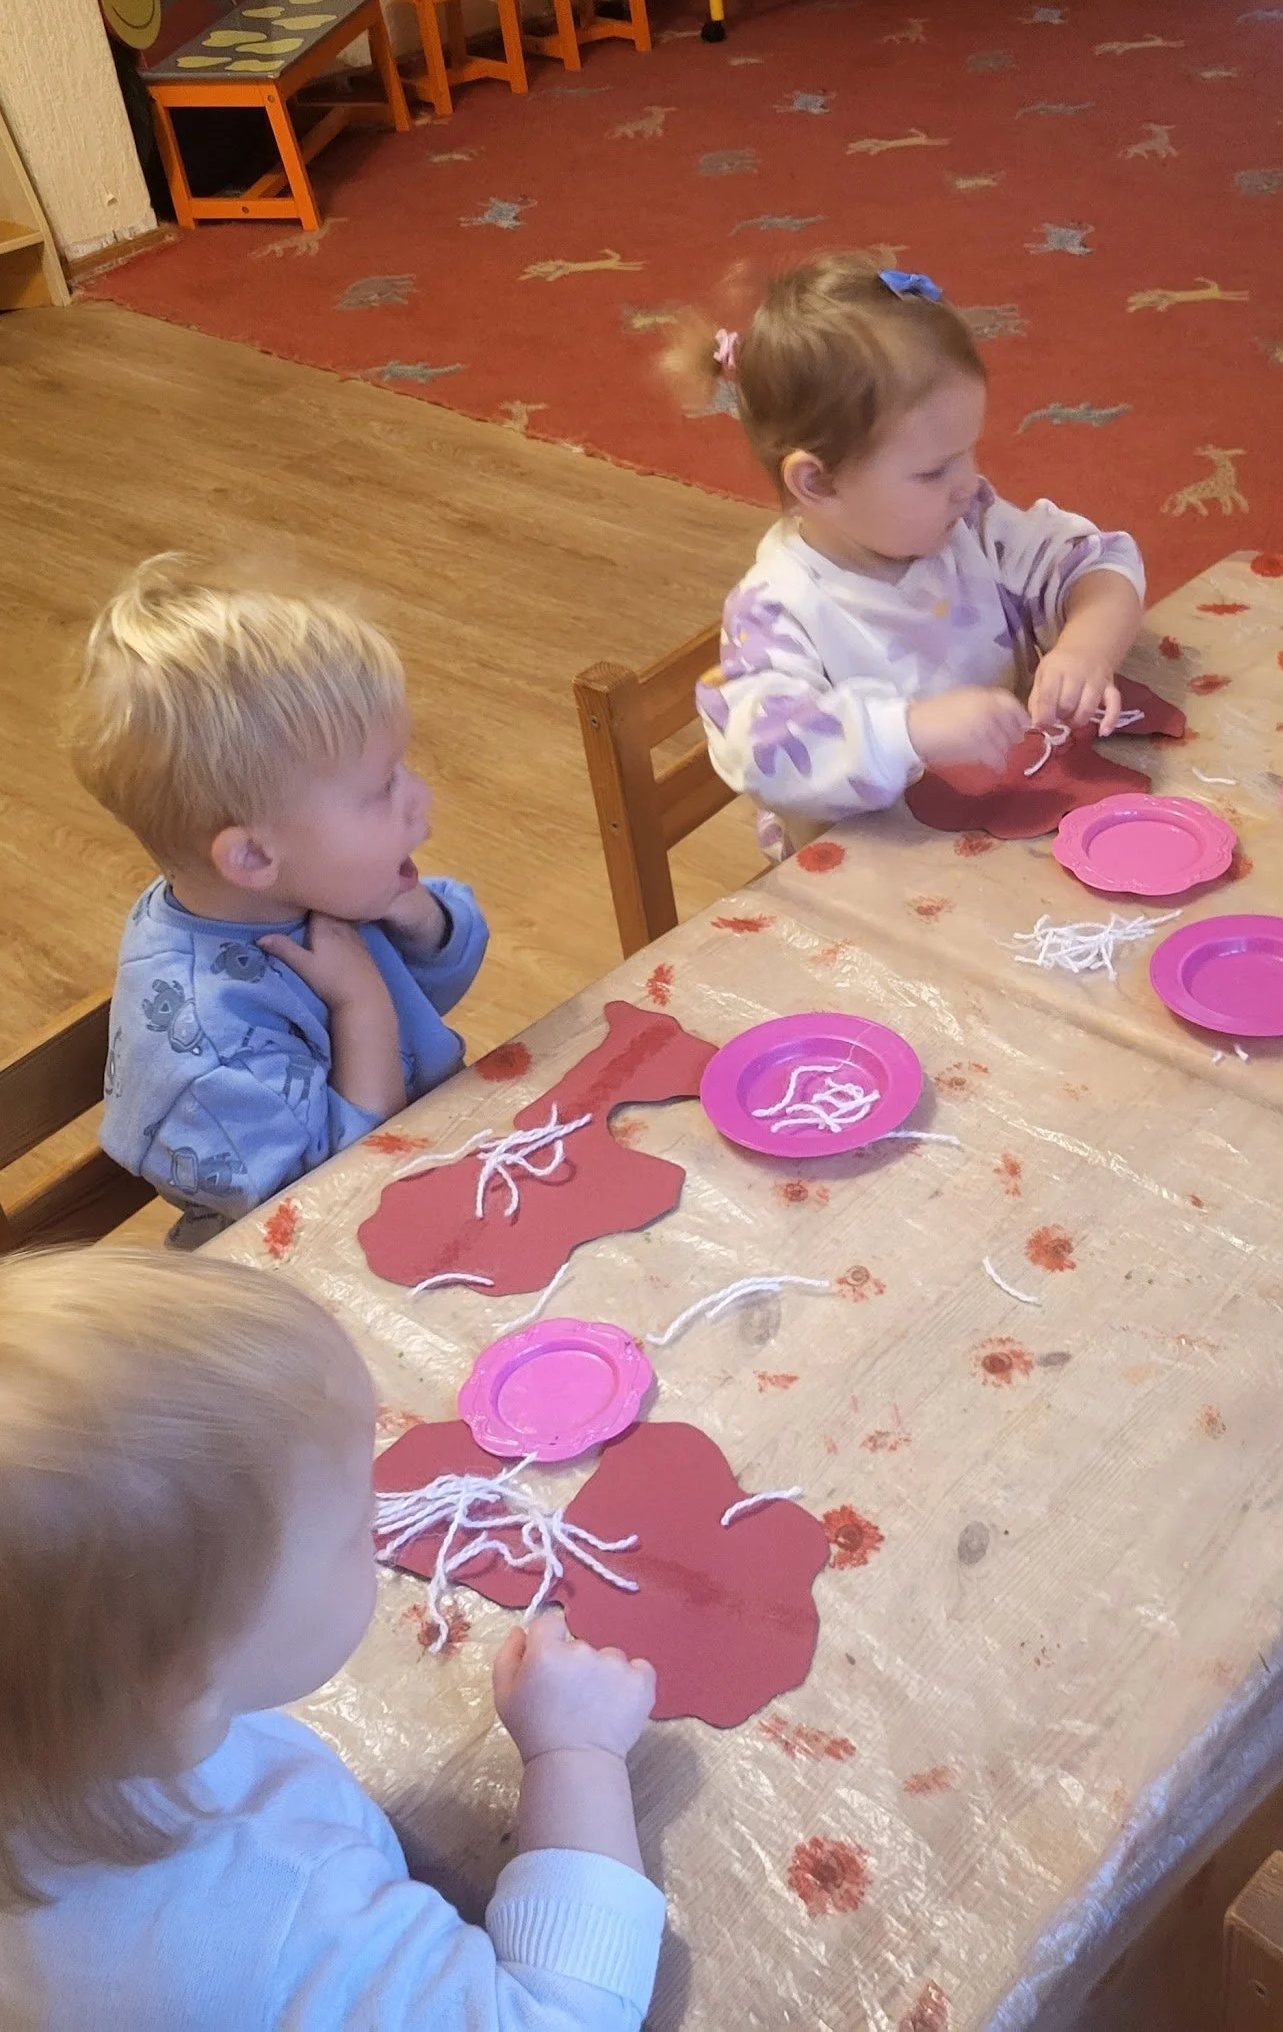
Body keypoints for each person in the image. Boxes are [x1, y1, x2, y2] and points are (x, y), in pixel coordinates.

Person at [0, 1245, 663, 2028]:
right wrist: (574, 1753)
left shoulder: (61, 1714)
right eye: (353, 1524)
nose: (380, 1522)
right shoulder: (282, 1922)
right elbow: (562, 2016)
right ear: (179, 1684)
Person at [71, 558, 489, 1245]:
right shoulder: (207, 1055)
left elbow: (450, 965)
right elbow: (342, 1203)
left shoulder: (301, 883)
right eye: (382, 785)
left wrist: (416, 916)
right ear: (253, 856)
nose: (420, 798)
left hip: (440, 1165)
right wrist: (362, 1007)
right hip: (313, 1271)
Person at [671, 254, 1147, 856]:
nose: (969, 481)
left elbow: (1099, 564)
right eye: (932, 471)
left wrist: (1086, 647)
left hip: (1007, 841)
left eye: (968, 452)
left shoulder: (970, 527)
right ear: (819, 485)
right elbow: (764, 753)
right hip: (875, 889)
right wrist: (911, 732)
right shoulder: (776, 610)